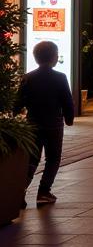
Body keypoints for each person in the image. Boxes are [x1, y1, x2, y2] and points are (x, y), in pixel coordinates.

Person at [16, 40, 73, 206]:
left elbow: (18, 100)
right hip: (54, 124)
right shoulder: (60, 78)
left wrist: (15, 113)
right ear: (54, 58)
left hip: (32, 123)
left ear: (35, 58)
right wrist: (69, 118)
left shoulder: (27, 78)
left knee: (32, 159)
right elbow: (67, 101)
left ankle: (19, 192)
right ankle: (44, 191)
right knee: (53, 158)